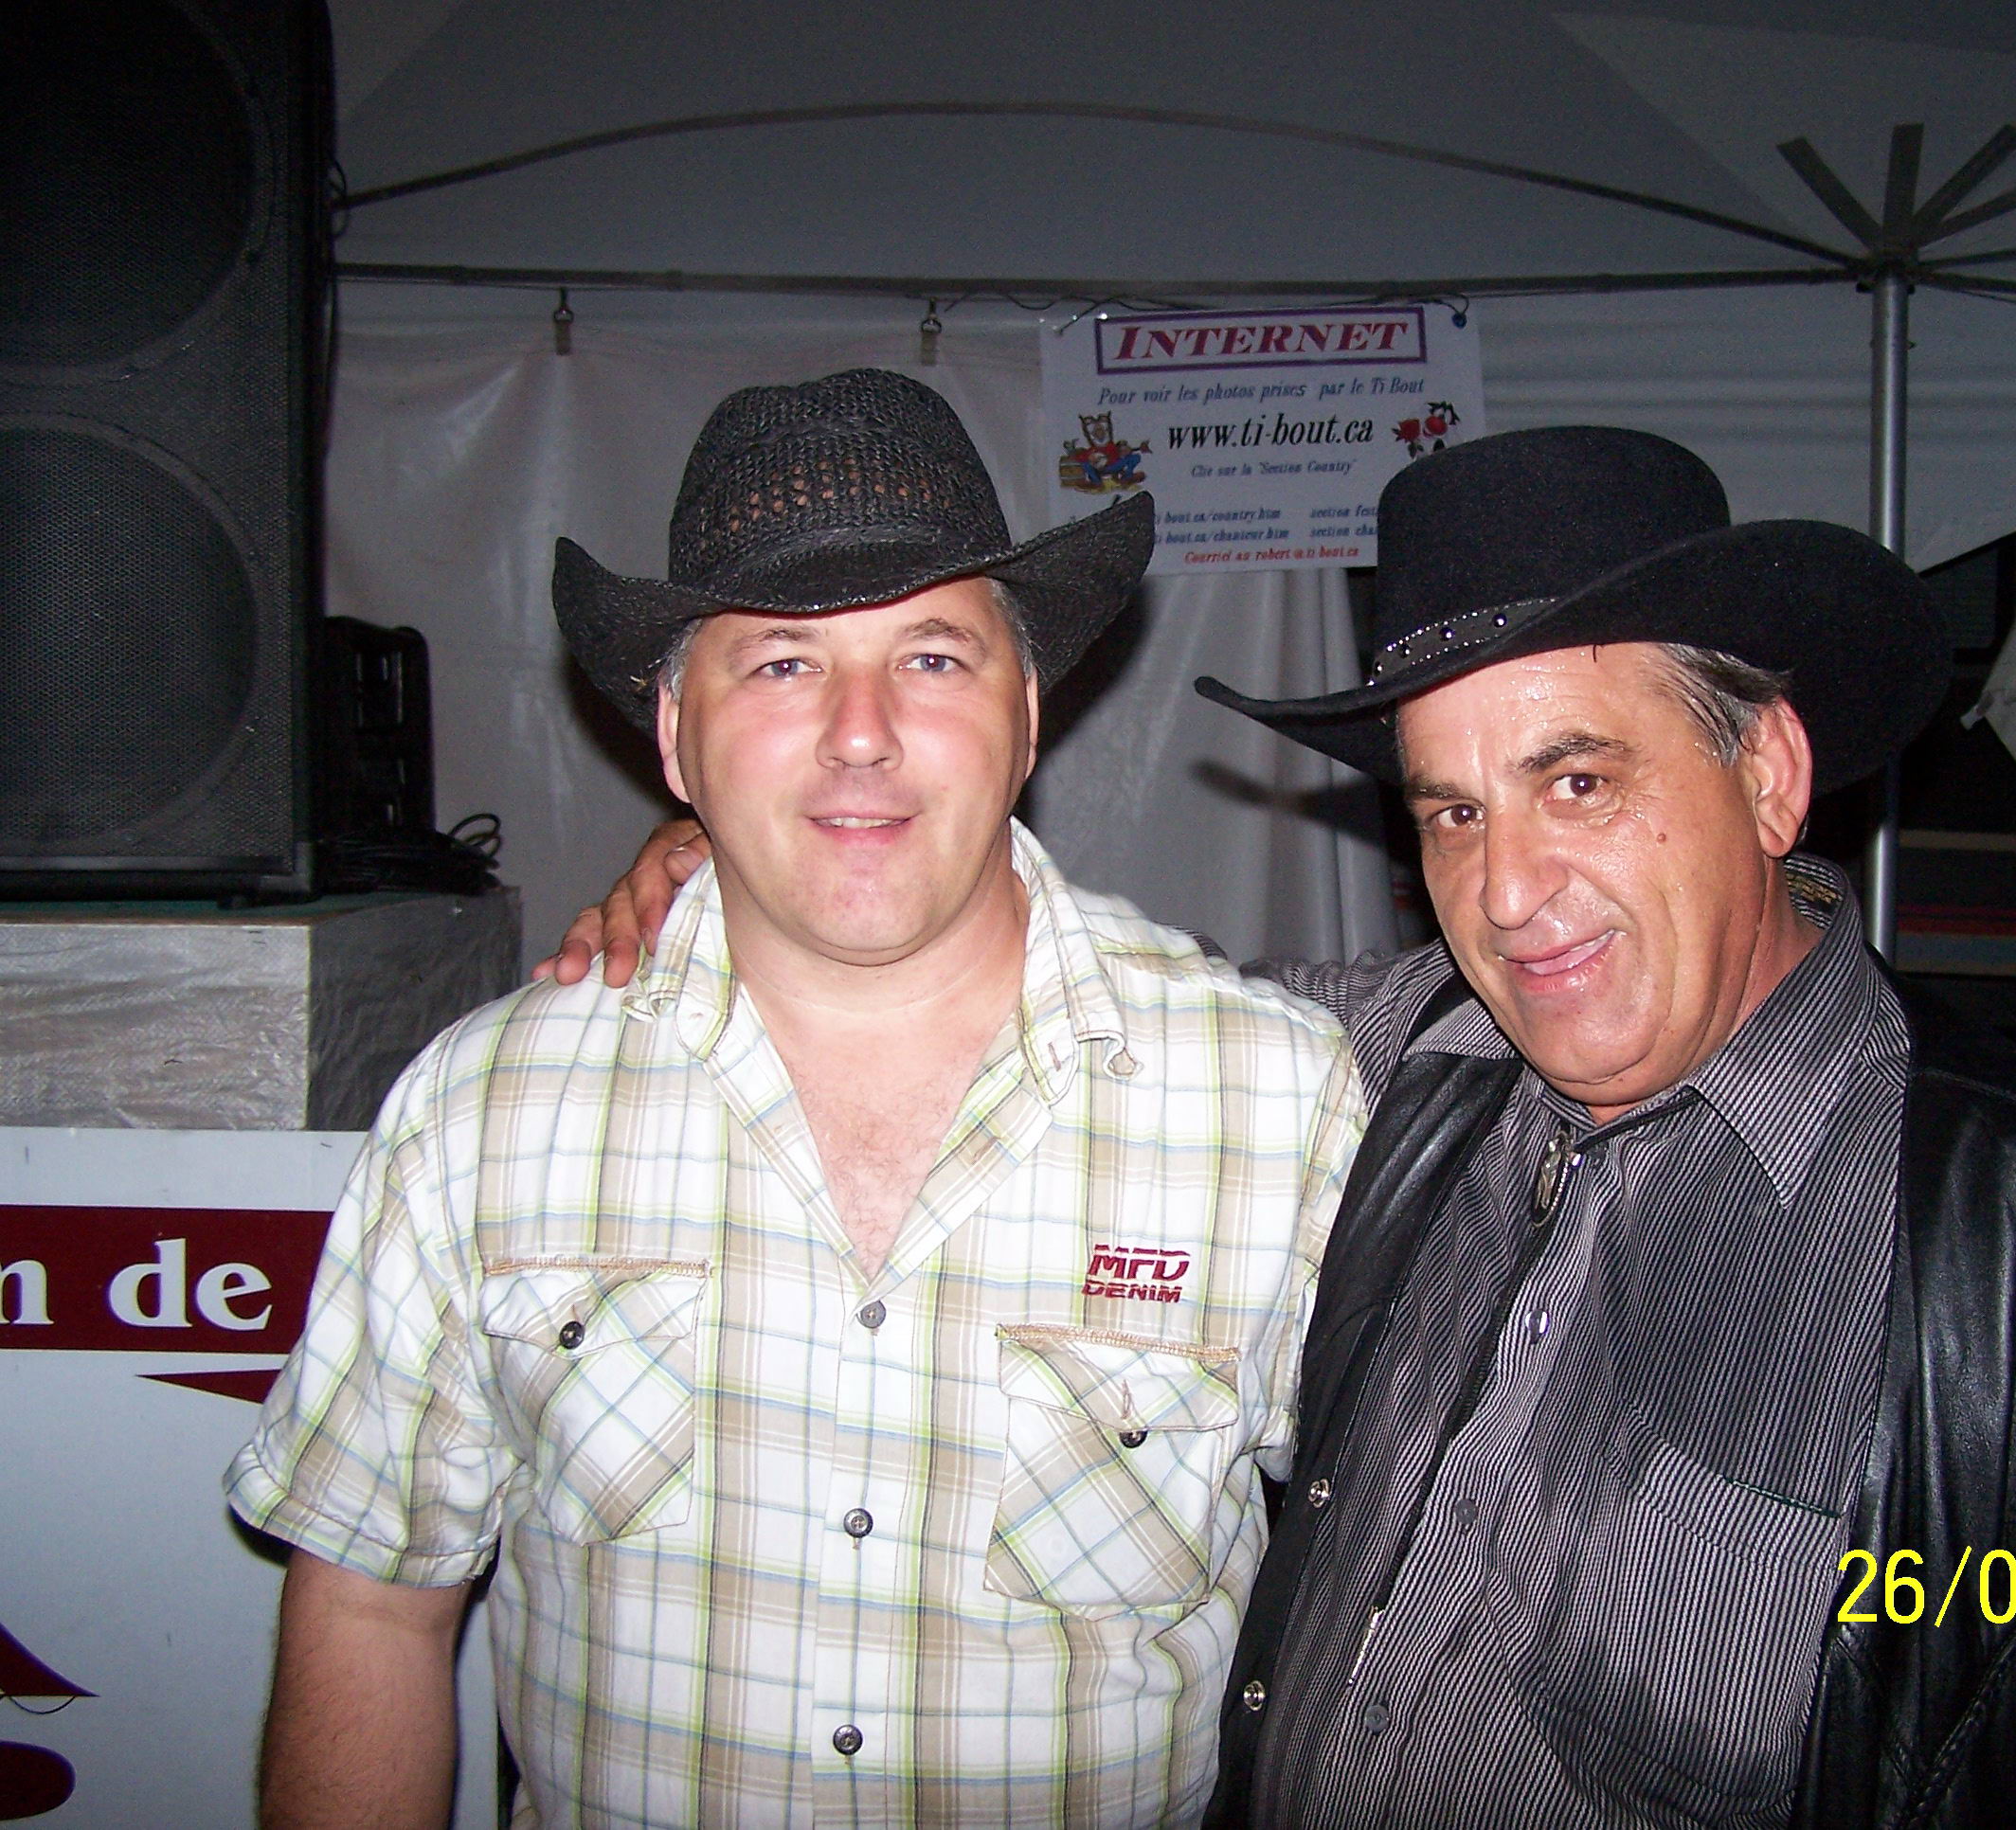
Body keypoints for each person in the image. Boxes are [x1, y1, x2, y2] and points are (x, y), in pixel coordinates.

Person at [556, 426, 2016, 1827]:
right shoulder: (1397, 1063)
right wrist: (773, 858)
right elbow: (1040, 993)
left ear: (1769, 774)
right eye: (1451, 812)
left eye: (1578, 780)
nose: (1509, 891)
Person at [228, 369, 1366, 1829]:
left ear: (1027, 713)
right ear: (673, 736)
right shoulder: (487, 1111)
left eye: (933, 659)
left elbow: (1401, 1617)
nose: (860, 732)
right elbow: (373, 1606)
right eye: (780, 664)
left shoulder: (1272, 1104)